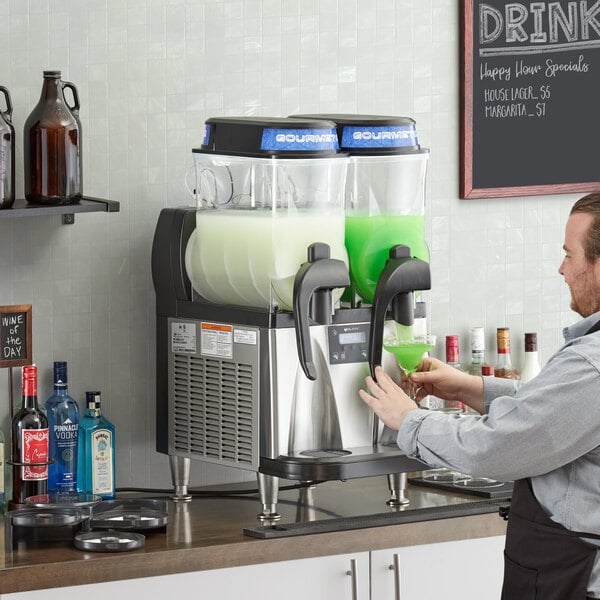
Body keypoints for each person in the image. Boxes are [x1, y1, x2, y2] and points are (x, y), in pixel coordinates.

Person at [359, 192, 600, 600]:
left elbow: (499, 448)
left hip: (575, 581)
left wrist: (409, 420)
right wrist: (474, 388)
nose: (561, 269)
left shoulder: (593, 364)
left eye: (569, 255)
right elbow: (566, 411)